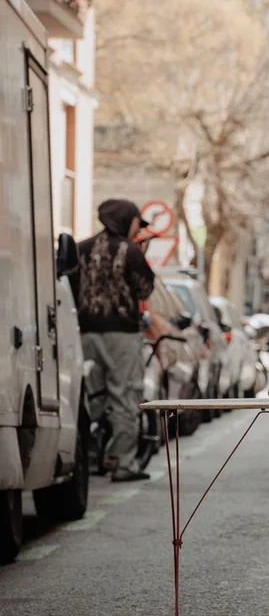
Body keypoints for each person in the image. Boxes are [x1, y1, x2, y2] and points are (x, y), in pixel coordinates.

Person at [77, 199, 156, 483]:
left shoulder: (81, 248)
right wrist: (142, 255)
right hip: (122, 335)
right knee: (124, 396)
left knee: (91, 397)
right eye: (137, 223)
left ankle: (87, 455)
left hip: (85, 334)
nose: (138, 229)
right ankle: (121, 462)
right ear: (126, 220)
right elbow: (145, 289)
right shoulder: (130, 251)